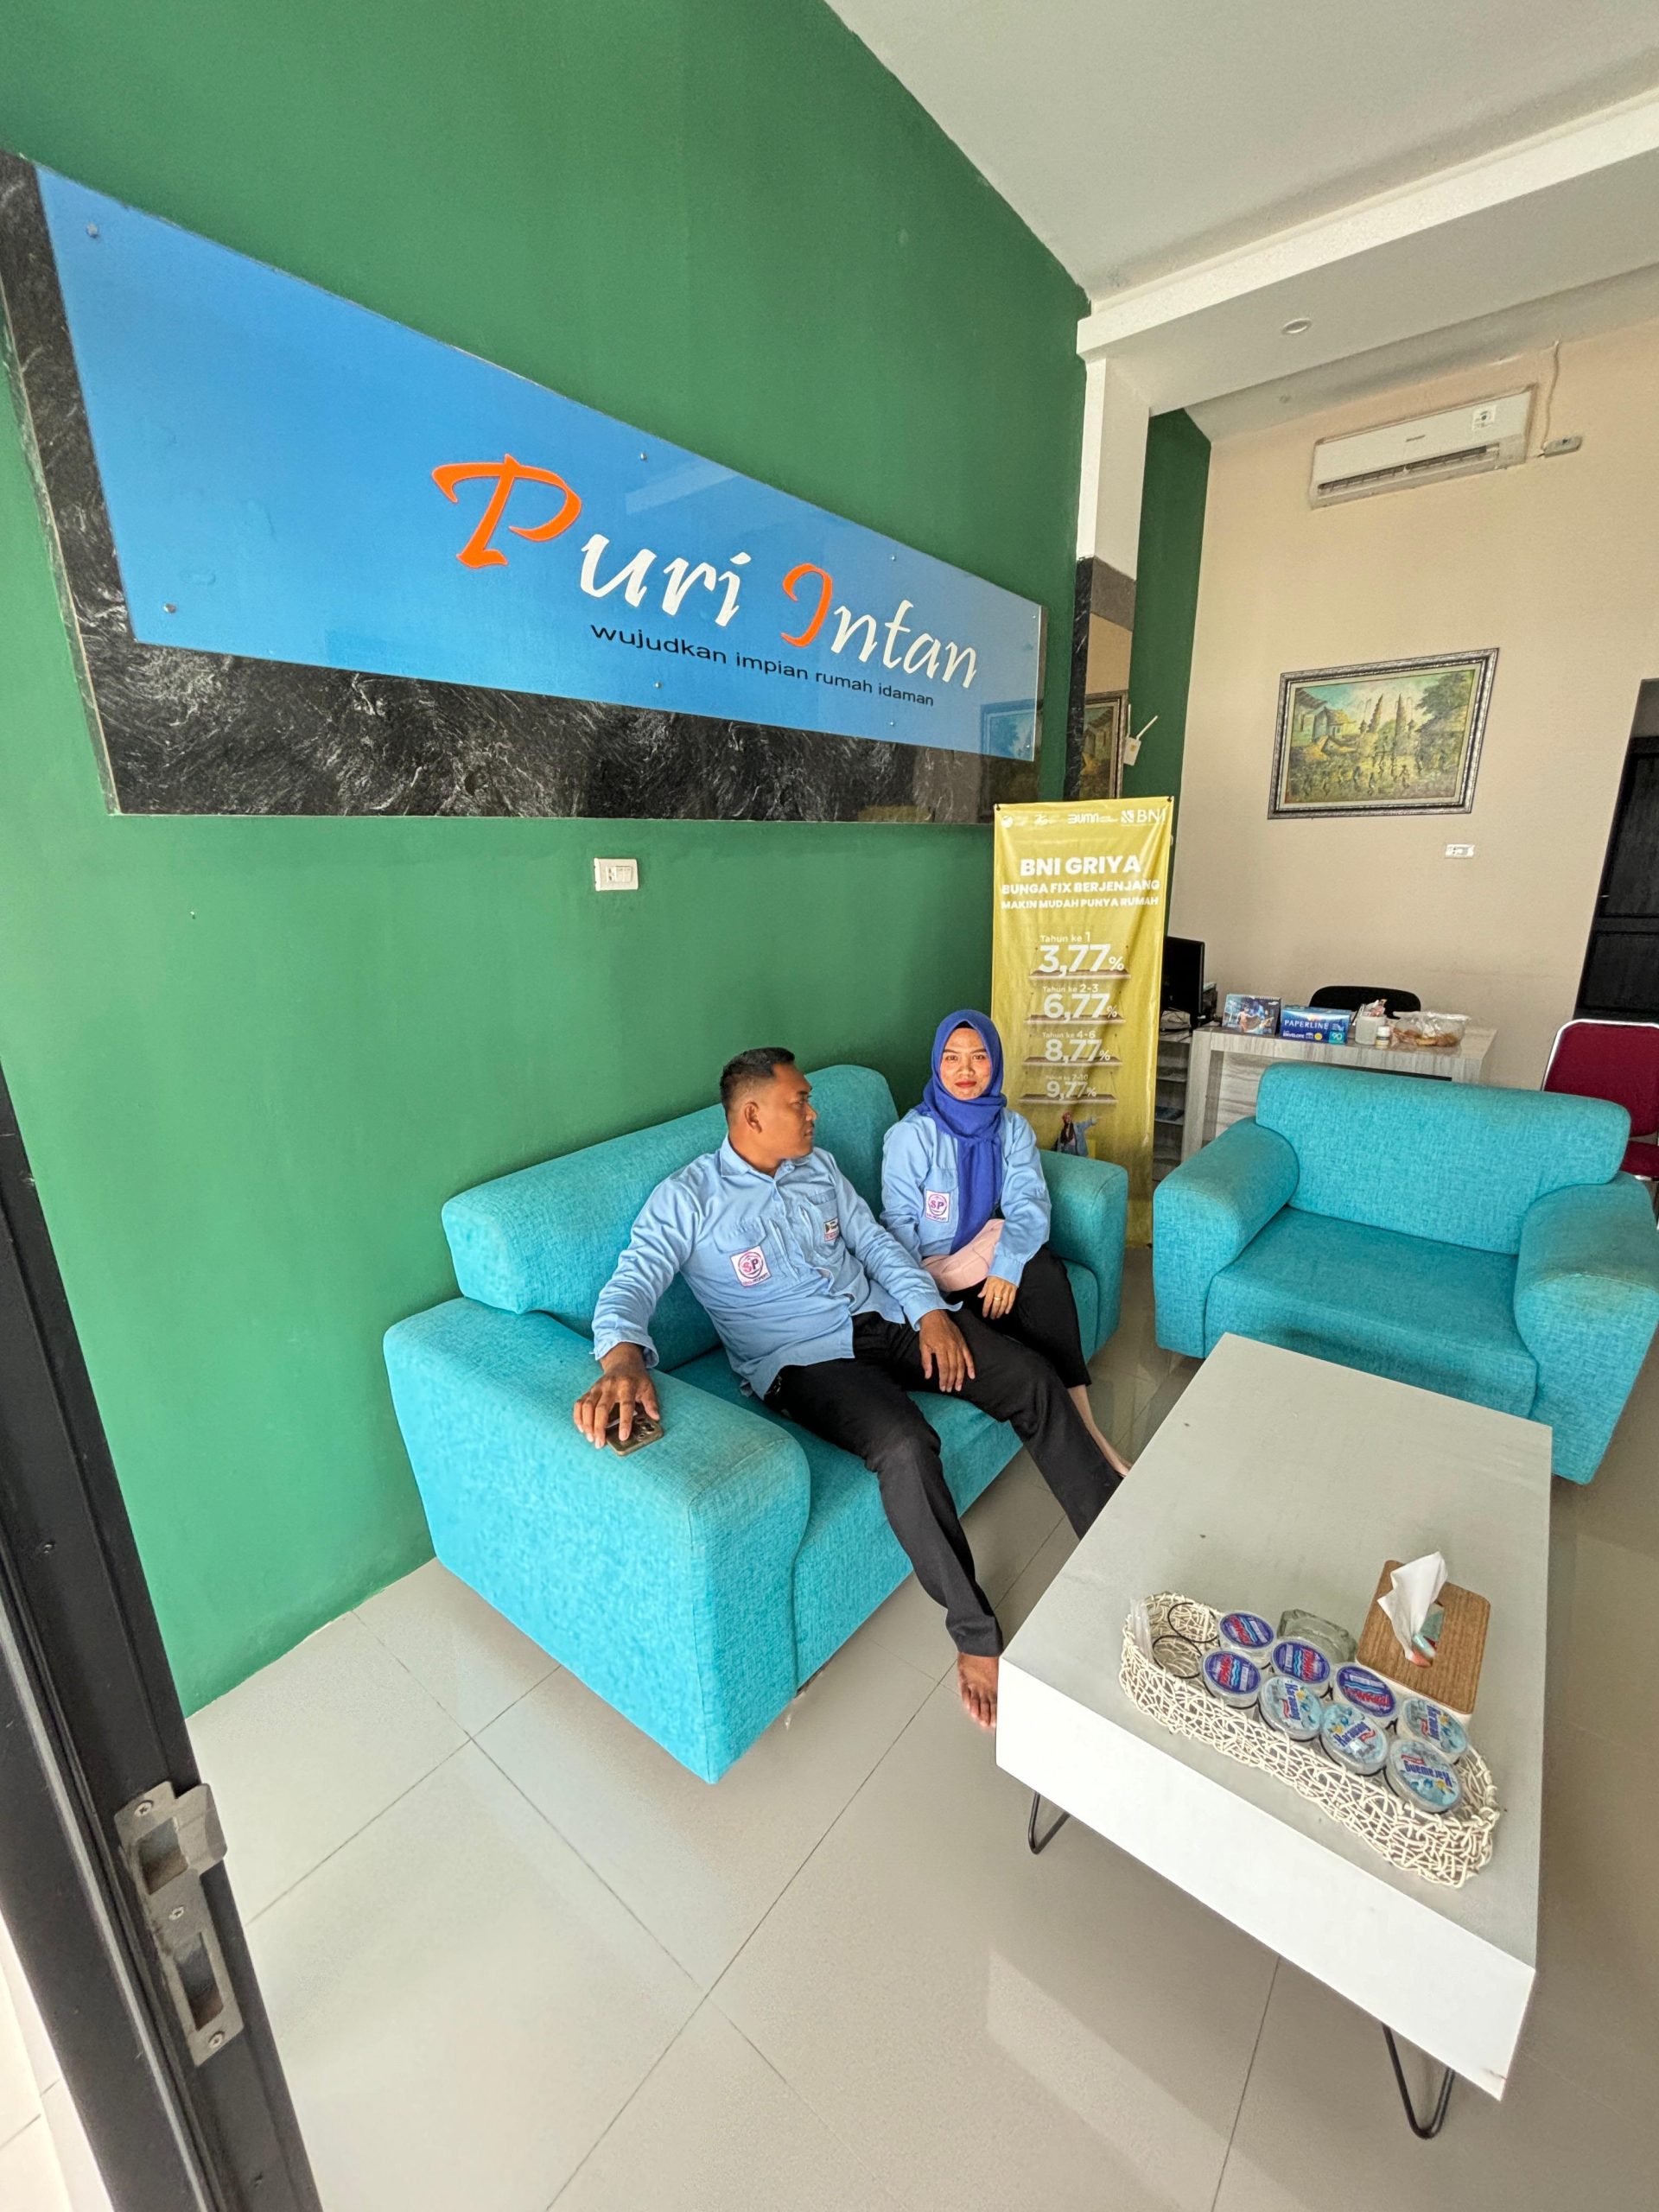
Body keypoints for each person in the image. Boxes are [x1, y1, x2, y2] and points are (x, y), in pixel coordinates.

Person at [573, 1047, 1122, 1732]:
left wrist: (928, 1313)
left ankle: (1113, 1537)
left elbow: (879, 1245)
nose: (813, 1113)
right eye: (799, 1102)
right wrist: (623, 1360)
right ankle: (974, 1633)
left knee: (1029, 1378)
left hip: (885, 1318)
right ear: (752, 1115)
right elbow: (632, 1281)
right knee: (904, 1445)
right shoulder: (688, 1199)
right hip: (800, 1362)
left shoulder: (819, 1168)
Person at [882, 1012, 1130, 1477]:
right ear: (936, 1063)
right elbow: (897, 1229)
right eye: (952, 1058)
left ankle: (1087, 1426)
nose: (965, 1070)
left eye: (978, 1057)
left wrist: (1007, 1266)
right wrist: (925, 1304)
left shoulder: (1011, 1128)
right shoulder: (911, 1136)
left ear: (995, 1063)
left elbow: (1029, 1204)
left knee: (1043, 1271)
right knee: (1026, 1293)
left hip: (980, 1263)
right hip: (931, 1278)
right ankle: (1067, 1422)